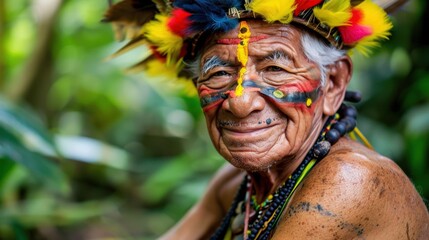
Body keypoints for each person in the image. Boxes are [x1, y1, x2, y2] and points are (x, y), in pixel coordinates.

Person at [104, 0, 429, 239]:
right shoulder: (238, 181)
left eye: (275, 69)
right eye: (218, 72)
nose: (240, 102)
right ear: (196, 86)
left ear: (333, 84)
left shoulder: (349, 183)